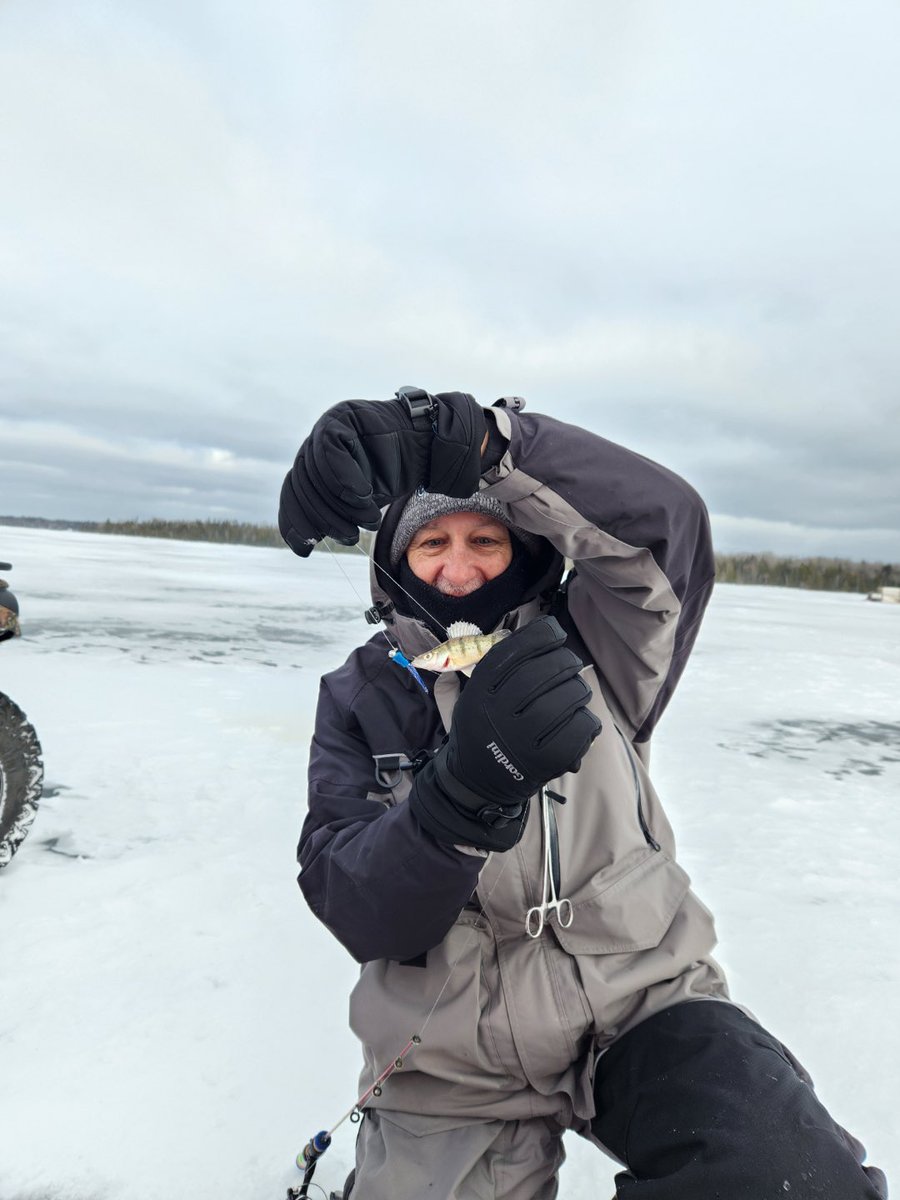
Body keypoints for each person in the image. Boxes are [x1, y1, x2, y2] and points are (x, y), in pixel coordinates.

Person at [279, 388, 887, 1200]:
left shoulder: (604, 638)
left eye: (485, 539)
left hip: (646, 999)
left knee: (794, 1182)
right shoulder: (361, 693)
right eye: (431, 543)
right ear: (394, 561)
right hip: (450, 1056)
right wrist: (454, 804)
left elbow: (666, 524)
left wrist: (473, 442)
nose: (458, 568)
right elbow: (352, 901)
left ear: (525, 548)